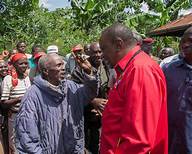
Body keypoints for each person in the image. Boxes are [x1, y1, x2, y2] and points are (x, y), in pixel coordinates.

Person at [99, 23, 168, 154]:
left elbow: (138, 140)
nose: (102, 55)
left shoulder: (140, 70)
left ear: (118, 44)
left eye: (104, 49)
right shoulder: (130, 68)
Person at [15, 53, 99, 153]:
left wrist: (88, 72)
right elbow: (26, 135)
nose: (63, 68)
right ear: (46, 71)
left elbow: (90, 93)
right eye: (59, 65)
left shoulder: (71, 87)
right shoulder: (33, 95)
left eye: (63, 64)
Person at [72, 42, 109, 154]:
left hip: (104, 112)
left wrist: (105, 105)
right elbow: (75, 91)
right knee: (87, 144)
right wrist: (93, 101)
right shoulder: (80, 69)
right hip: (86, 113)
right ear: (88, 53)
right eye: (94, 52)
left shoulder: (107, 65)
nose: (98, 55)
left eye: (99, 52)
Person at [162, 26, 192, 154]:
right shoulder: (168, 69)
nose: (185, 44)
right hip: (171, 143)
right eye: (183, 41)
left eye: (190, 40)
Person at [1, 53, 31, 154]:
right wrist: (19, 99)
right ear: (14, 64)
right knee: (15, 144)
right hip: (15, 116)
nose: (24, 66)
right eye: (21, 64)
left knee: (27, 142)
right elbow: (4, 103)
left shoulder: (27, 78)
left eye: (26, 63)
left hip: (28, 115)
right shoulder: (8, 79)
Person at [0, 60, 8, 154]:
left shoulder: (10, 78)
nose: (3, 69)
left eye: (5, 66)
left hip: (8, 110)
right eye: (1, 67)